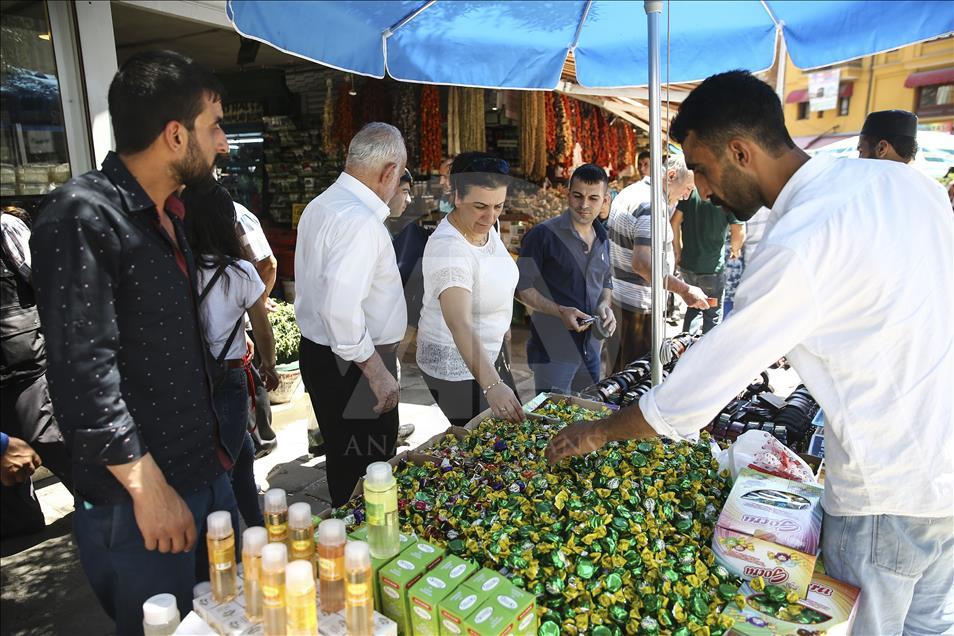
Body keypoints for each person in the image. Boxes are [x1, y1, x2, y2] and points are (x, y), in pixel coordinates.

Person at [547, 70, 954, 635]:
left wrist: (595, 432)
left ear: (740, 151)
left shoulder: (801, 241)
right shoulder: (911, 186)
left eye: (704, 170)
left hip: (885, 491)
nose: (704, 191)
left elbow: (700, 388)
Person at [30, 50, 240, 633]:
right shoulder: (82, 213)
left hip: (203, 469)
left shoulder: (168, 212)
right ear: (176, 135)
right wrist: (147, 488)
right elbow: (81, 371)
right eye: (213, 126)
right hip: (140, 495)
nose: (223, 142)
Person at [295, 122, 407, 508]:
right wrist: (377, 373)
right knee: (369, 470)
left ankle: (347, 532)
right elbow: (339, 311)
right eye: (401, 175)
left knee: (345, 460)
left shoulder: (322, 203)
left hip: (327, 357)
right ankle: (366, 547)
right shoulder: (359, 220)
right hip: (354, 367)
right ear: (389, 172)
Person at [183, 184, 279, 528]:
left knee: (237, 453)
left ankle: (251, 526)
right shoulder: (240, 271)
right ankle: (235, 537)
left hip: (192, 376)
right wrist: (268, 365)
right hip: (230, 376)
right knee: (229, 458)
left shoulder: (180, 270)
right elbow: (263, 330)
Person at [416, 152, 522, 426]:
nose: (490, 216)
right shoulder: (449, 249)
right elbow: (459, 323)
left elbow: (497, 276)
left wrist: (557, 309)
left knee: (515, 435)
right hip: (454, 366)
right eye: (480, 206)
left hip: (490, 352)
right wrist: (492, 386)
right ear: (457, 197)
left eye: (498, 206)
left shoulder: (487, 225)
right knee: (492, 449)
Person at [1, 208, 73, 538]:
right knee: (10, 482)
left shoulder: (6, 227)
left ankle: (102, 511)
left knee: (55, 444)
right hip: (16, 363)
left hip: (21, 369)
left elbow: (44, 280)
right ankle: (24, 531)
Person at [517, 164, 616, 395]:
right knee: (551, 419)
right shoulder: (542, 236)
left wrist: (604, 305)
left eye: (593, 198)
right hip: (554, 350)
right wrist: (559, 310)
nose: (584, 205)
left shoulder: (603, 237)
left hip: (591, 349)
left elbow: (606, 281)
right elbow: (520, 288)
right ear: (567, 193)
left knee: (586, 415)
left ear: (605, 200)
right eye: (578, 196)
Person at [607, 155, 708, 371]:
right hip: (638, 308)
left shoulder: (633, 192)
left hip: (621, 301)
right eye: (688, 187)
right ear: (671, 176)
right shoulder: (651, 205)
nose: (687, 195)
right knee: (633, 380)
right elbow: (642, 263)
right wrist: (684, 290)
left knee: (617, 376)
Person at [232, 198, 280, 457]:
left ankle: (262, 439)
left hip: (243, 308)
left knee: (253, 378)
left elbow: (268, 264)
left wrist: (257, 302)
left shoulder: (236, 214)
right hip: (239, 307)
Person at [671, 190, 745, 333]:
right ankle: (707, 353)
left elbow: (674, 222)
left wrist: (678, 250)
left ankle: (686, 347)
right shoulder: (727, 196)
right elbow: (739, 230)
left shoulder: (690, 192)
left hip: (688, 266)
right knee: (712, 314)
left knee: (693, 309)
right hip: (712, 270)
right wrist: (735, 250)